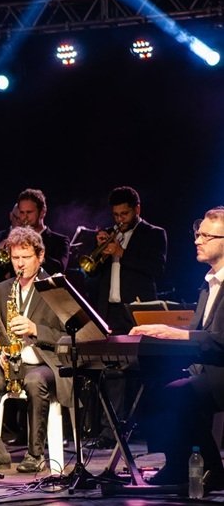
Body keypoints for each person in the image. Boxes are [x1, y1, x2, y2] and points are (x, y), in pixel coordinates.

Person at [0, 226, 72, 473]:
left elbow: (71, 337)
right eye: (15, 258)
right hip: (12, 364)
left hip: (46, 364)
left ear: (40, 256)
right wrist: (2, 351)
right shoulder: (3, 289)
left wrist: (35, 329)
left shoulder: (57, 288)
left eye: (26, 257)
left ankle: (35, 454)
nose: (20, 264)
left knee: (34, 381)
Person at [130, 207, 224, 490]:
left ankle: (214, 470)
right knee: (156, 385)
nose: (197, 240)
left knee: (179, 394)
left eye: (206, 236)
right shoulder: (208, 284)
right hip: (207, 365)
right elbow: (200, 334)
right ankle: (178, 465)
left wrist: (177, 335)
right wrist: (159, 331)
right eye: (198, 234)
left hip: (221, 368)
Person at [87, 186, 168, 334]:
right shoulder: (108, 233)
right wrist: (98, 251)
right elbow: (91, 272)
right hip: (108, 311)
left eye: (124, 214)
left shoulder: (154, 233)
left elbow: (157, 269)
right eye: (115, 215)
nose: (119, 219)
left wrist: (121, 252)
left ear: (137, 209)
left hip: (137, 308)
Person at [15, 188, 70, 276]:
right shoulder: (17, 241)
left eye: (29, 212)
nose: (24, 217)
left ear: (42, 212)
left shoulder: (60, 241)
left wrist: (33, 249)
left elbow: (59, 269)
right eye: (22, 212)